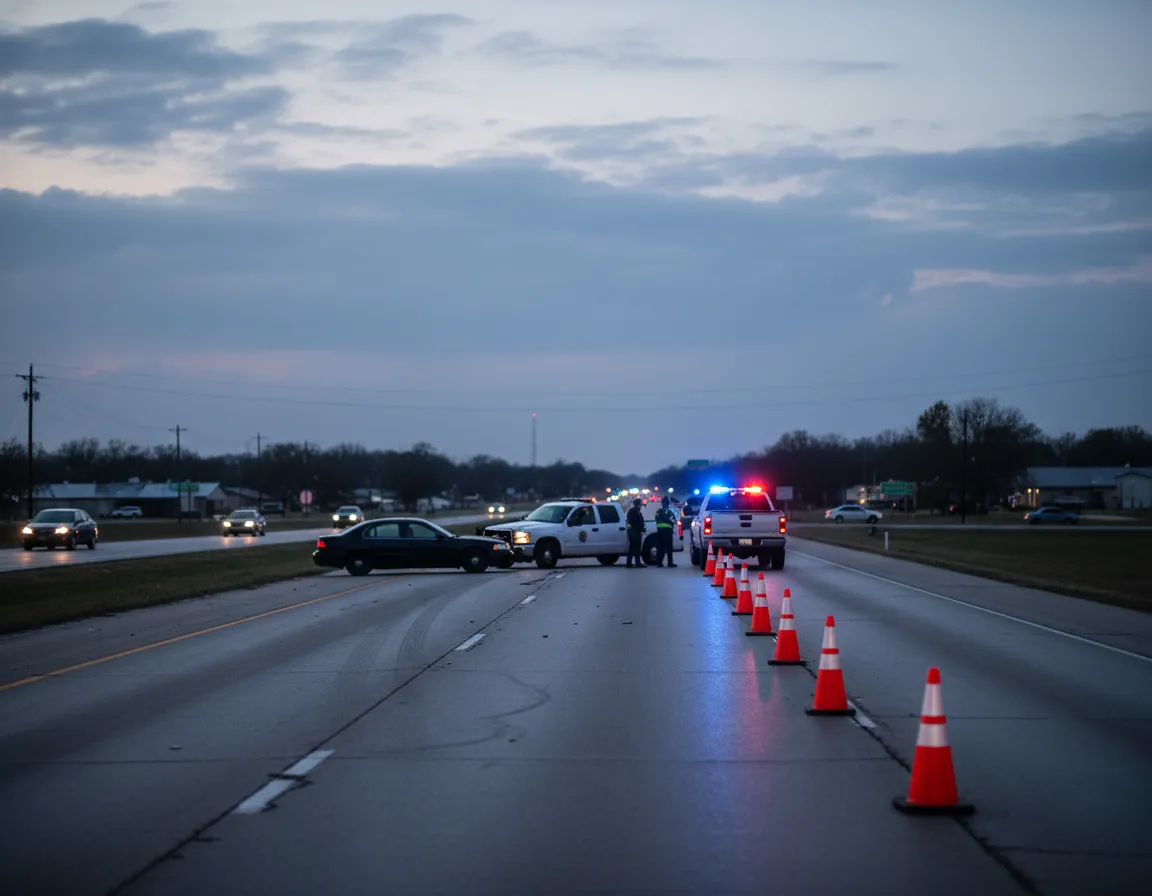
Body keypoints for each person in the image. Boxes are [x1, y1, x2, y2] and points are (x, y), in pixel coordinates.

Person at [654, 495, 677, 567]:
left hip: (660, 531)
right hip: (668, 531)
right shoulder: (670, 512)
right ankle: (670, 563)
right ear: (668, 503)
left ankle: (659, 563)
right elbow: (673, 521)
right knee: (669, 548)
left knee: (660, 547)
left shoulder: (658, 511)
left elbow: (656, 519)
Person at [626, 498, 647, 568]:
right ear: (638, 504)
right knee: (637, 548)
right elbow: (637, 522)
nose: (641, 505)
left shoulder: (632, 511)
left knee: (632, 548)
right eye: (640, 503)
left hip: (633, 531)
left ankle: (629, 563)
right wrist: (642, 528)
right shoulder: (635, 512)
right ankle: (638, 563)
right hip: (635, 531)